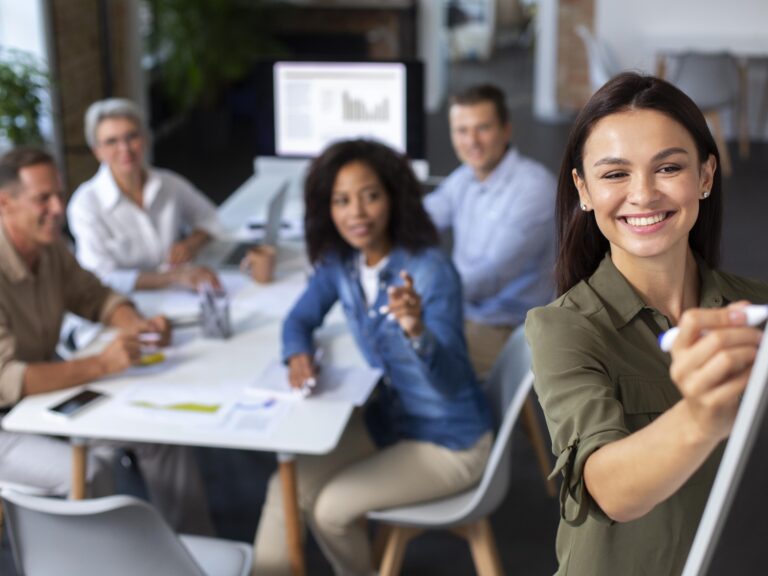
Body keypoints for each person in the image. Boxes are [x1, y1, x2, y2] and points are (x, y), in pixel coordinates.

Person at [525, 72, 768, 576]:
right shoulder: (563, 329)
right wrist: (702, 417)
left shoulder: (757, 308)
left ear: (705, 176)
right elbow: (610, 490)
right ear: (583, 189)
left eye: (668, 168)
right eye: (615, 174)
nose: (643, 194)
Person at [252, 139, 493, 576]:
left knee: (329, 511)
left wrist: (417, 332)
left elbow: (453, 380)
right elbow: (298, 319)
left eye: (370, 196)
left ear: (393, 197)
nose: (356, 213)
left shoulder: (429, 271)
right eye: (341, 200)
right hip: (390, 423)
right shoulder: (342, 263)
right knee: (283, 488)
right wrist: (297, 354)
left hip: (449, 441)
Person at [0, 148, 213, 534]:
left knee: (159, 432)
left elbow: (95, 296)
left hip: (44, 403)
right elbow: (6, 378)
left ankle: (192, 553)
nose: (58, 207)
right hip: (6, 421)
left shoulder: (49, 249)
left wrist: (135, 325)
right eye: (43, 199)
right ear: (4, 203)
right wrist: (101, 365)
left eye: (59, 195)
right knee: (87, 472)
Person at [424, 83, 556, 379]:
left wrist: (426, 293)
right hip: (464, 312)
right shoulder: (466, 177)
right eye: (461, 130)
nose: (472, 141)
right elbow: (422, 219)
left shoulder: (533, 189)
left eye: (482, 128)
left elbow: (492, 276)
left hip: (505, 329)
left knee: (402, 351)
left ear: (506, 130)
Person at [67, 98, 221, 294]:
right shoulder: (85, 204)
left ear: (145, 139)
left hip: (179, 294)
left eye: (132, 136)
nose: (125, 149)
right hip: (129, 302)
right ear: (97, 151)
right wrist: (173, 277)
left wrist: (191, 244)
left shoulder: (168, 184)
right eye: (111, 141)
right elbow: (101, 275)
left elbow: (210, 217)